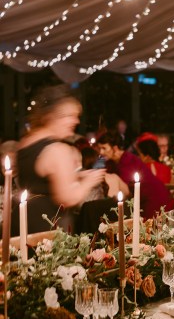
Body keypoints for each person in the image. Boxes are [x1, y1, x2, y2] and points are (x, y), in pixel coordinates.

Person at [12, 85, 105, 234]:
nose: (76, 121)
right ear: (51, 116)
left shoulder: (25, 143)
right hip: (46, 230)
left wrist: (75, 176)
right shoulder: (57, 150)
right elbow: (66, 198)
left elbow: (38, 182)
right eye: (69, 115)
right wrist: (88, 182)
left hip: (22, 224)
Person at [96, 131, 174, 219]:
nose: (101, 152)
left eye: (104, 148)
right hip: (137, 201)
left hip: (153, 198)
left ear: (115, 148)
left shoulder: (128, 160)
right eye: (99, 148)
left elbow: (126, 188)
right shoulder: (110, 162)